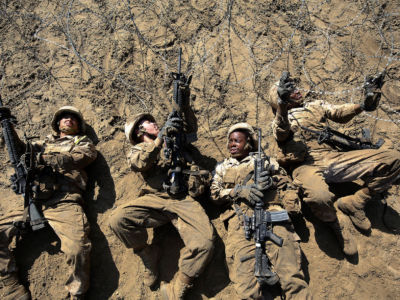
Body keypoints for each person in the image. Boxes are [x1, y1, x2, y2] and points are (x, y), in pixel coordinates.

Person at [268, 71, 400, 256]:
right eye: (289, 91)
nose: (296, 91)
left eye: (294, 87)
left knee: (393, 158)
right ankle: (336, 224)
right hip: (305, 166)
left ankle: (356, 202)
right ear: (280, 97)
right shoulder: (279, 119)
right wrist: (282, 106)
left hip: (333, 157)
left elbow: (338, 113)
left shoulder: (314, 106)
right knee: (319, 196)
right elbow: (281, 133)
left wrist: (362, 105)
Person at [108, 94, 214, 299]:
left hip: (183, 198)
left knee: (205, 244)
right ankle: (147, 254)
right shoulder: (138, 149)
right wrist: (159, 140)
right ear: (139, 131)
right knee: (117, 220)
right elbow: (140, 163)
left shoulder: (173, 137)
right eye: (148, 122)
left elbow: (190, 128)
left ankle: (178, 286)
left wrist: (183, 103)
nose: (154, 122)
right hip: (155, 198)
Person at [0, 106, 97, 300]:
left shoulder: (83, 143)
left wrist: (43, 159)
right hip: (32, 198)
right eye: (64, 117)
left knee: (78, 247)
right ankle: (10, 286)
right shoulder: (41, 143)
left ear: (79, 125)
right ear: (57, 124)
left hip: (64, 200)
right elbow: (19, 150)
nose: (68, 119)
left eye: (73, 118)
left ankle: (77, 293)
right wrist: (7, 127)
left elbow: (79, 158)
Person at [210, 122, 312, 300]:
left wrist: (271, 182)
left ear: (248, 143)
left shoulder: (265, 161)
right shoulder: (222, 168)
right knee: (245, 285)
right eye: (230, 141)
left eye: (237, 141)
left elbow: (285, 181)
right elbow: (215, 193)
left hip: (272, 214)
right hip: (241, 221)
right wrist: (239, 191)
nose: (232, 145)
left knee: (291, 276)